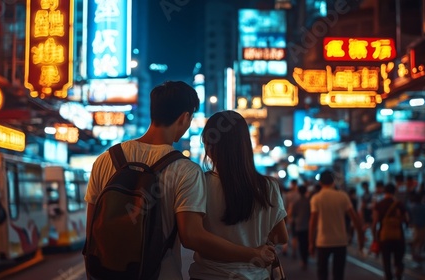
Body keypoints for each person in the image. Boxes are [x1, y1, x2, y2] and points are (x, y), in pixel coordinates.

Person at [84, 82, 275, 280]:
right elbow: (192, 236)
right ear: (185, 117)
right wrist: (252, 253)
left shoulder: (106, 159)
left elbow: (91, 231)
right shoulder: (186, 170)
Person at [188, 110, 288, 279]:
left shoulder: (200, 184)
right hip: (255, 275)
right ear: (245, 144)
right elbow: (281, 236)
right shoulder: (268, 186)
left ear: (209, 146)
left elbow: (193, 237)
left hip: (208, 275)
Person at [309, 169, 364, 280]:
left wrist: (310, 242)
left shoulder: (316, 198)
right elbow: (355, 219)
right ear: (333, 181)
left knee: (322, 273)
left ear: (320, 183)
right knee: (338, 274)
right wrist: (361, 238)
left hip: (323, 241)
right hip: (340, 241)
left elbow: (313, 223)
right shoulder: (342, 196)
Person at [372, 183, 408, 280]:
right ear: (394, 192)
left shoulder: (379, 205)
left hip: (384, 236)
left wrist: (375, 237)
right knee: (398, 258)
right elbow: (406, 219)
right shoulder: (399, 204)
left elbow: (375, 222)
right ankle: (399, 271)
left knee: (386, 260)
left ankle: (389, 277)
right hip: (398, 235)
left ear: (384, 192)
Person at [291, 185, 311, 270]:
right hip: (308, 225)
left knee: (301, 244)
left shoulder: (296, 202)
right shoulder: (309, 201)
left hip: (299, 226)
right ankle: (306, 259)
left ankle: (303, 260)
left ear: (298, 191)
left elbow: (293, 214)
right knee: (306, 243)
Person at [408, 194, 425, 265]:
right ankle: (418, 254)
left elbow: (408, 217)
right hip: (423, 226)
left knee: (415, 240)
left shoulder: (411, 207)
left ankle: (413, 253)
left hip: (414, 226)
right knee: (421, 241)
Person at [284, 179, 300, 258]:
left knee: (286, 233)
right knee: (294, 235)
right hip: (297, 217)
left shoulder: (288, 195)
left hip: (288, 215)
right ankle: (294, 251)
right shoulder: (299, 195)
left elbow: (285, 206)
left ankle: (285, 249)